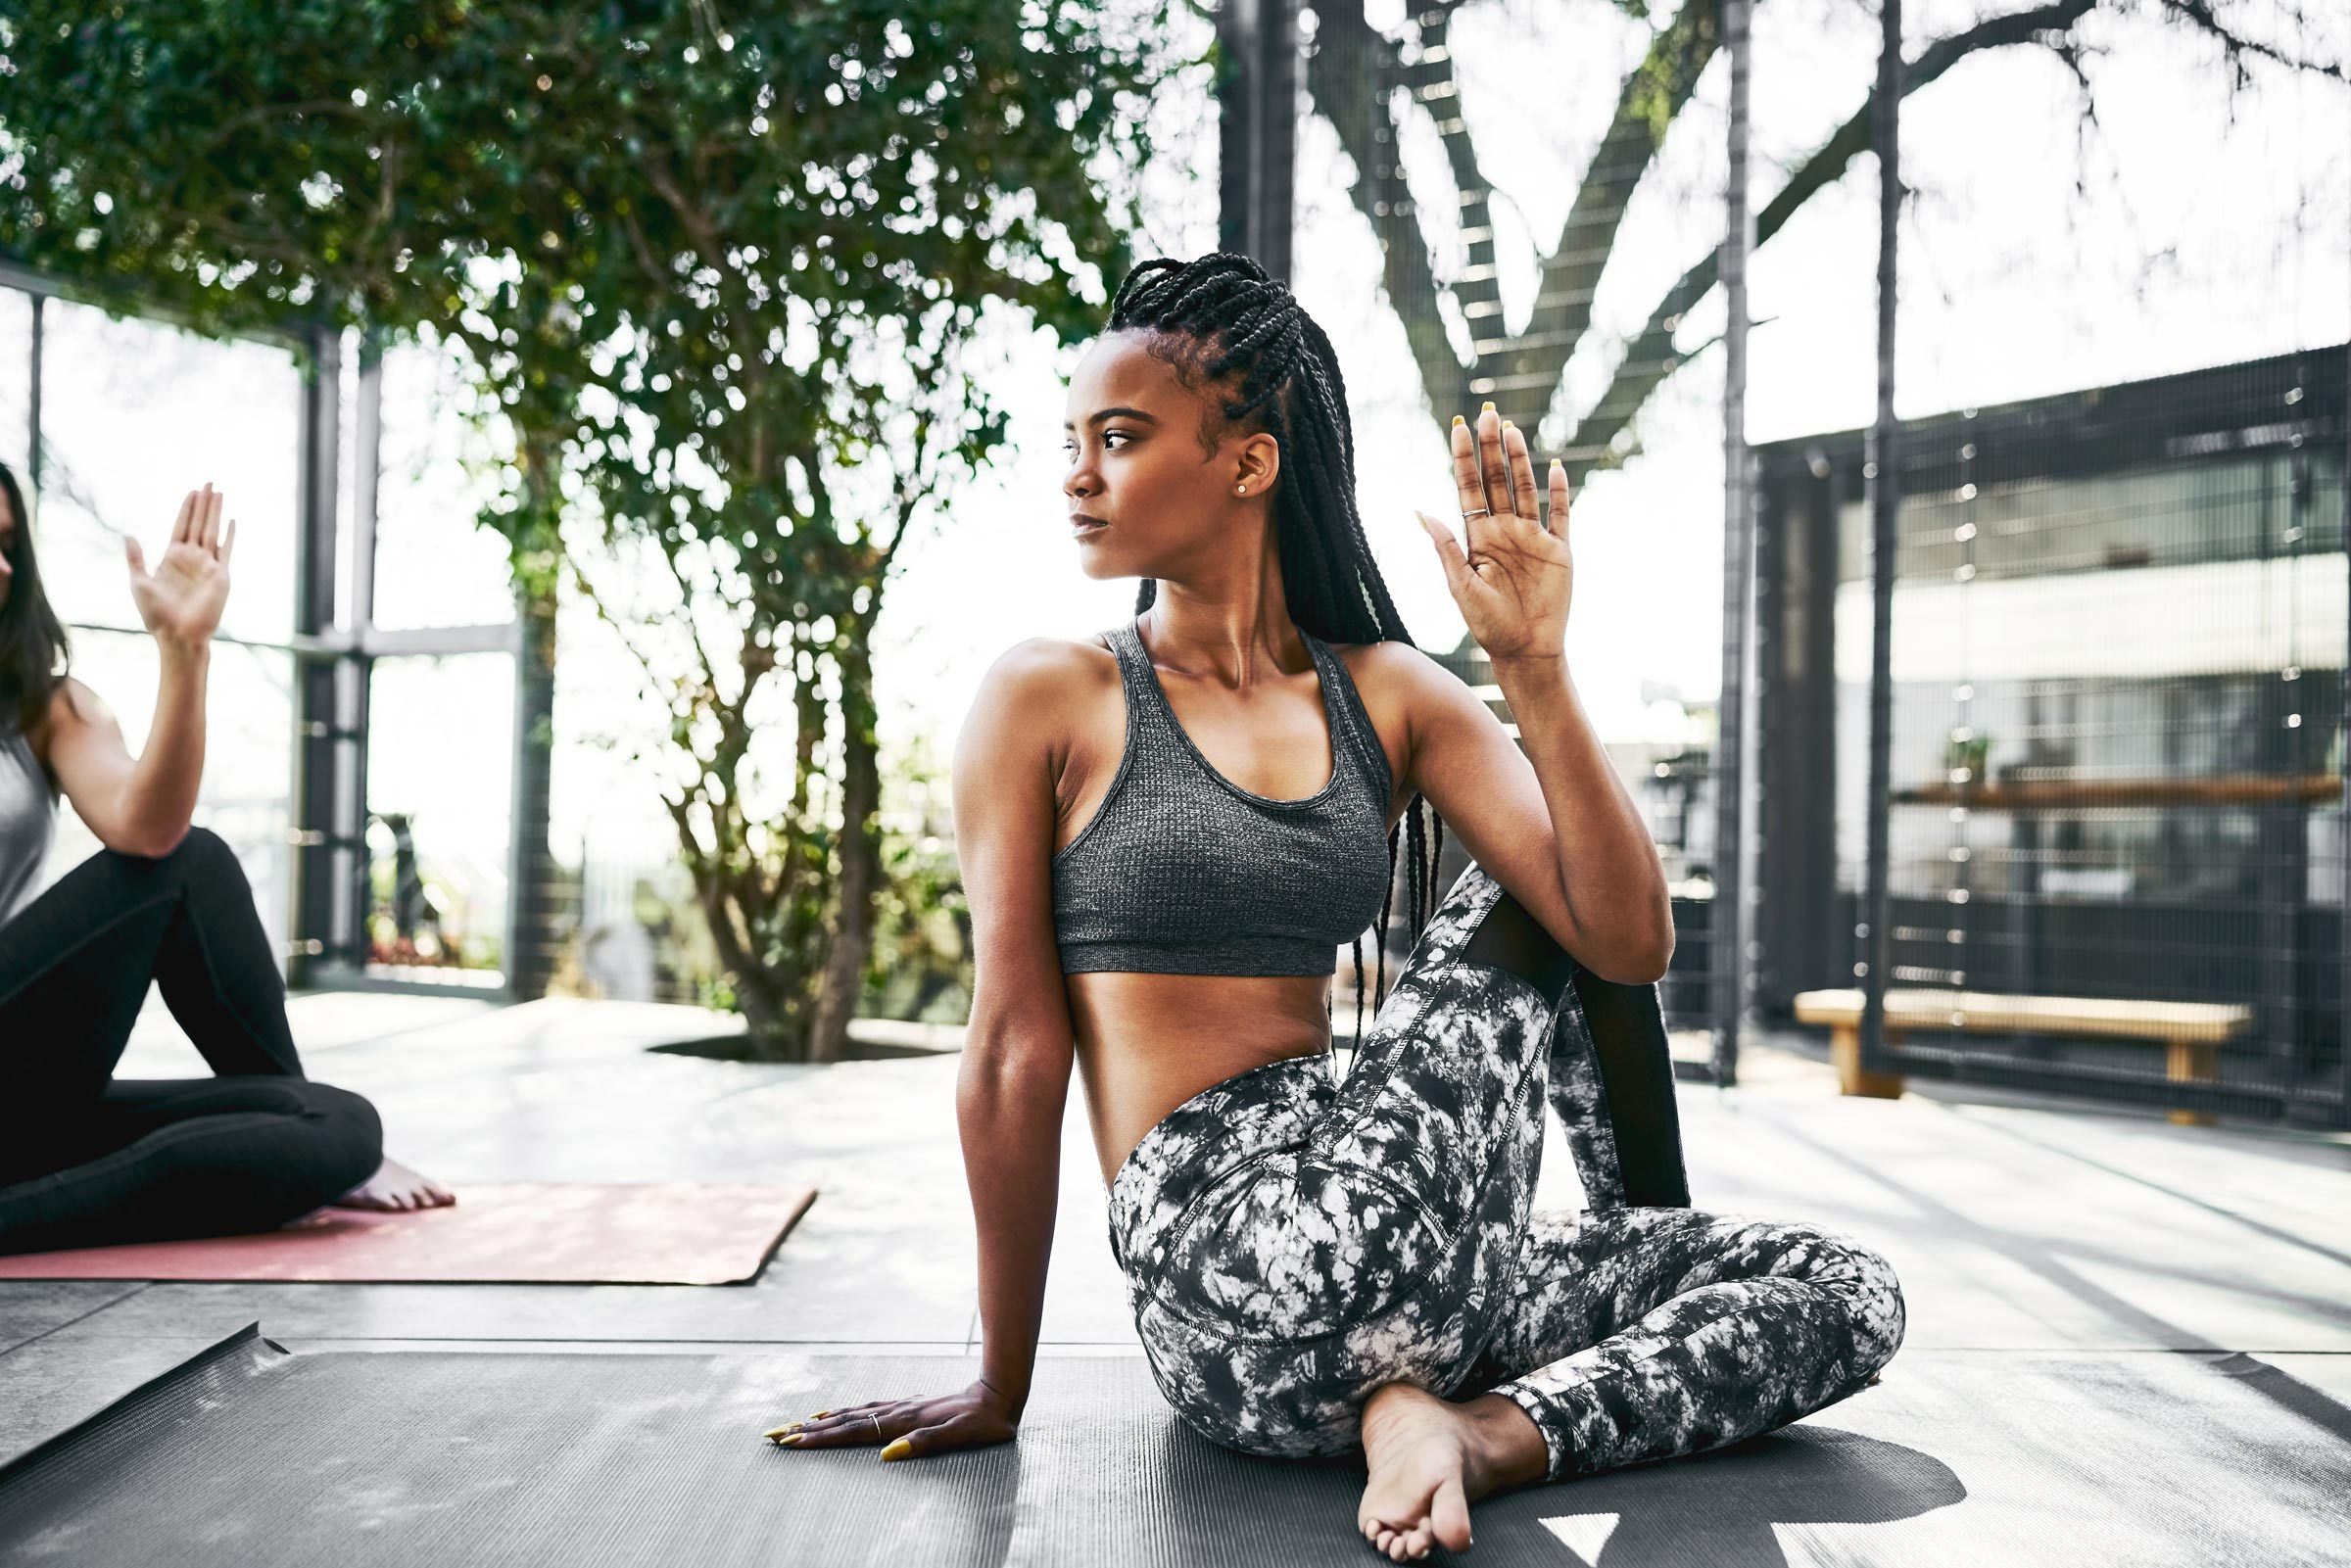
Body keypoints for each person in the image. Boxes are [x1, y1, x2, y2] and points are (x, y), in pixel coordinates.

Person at [761, 253, 1905, 1560]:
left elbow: (1632, 941)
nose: (1077, 474)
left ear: (1247, 464)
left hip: (1405, 1255)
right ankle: (1431, 1386)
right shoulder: (1050, 695)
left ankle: (1469, 1426)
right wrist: (997, 1382)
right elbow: (1017, 1049)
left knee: (1843, 1290)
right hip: (1228, 1271)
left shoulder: (1396, 695)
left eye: (1119, 439)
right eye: (1073, 441)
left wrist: (1533, 666)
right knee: (1537, 906)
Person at [0, 462, 455, 1258]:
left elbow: (147, 832)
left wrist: (186, 649)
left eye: (8, 547)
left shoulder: (48, 707)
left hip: (15, 1083)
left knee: (334, 1123)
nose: (3, 569)